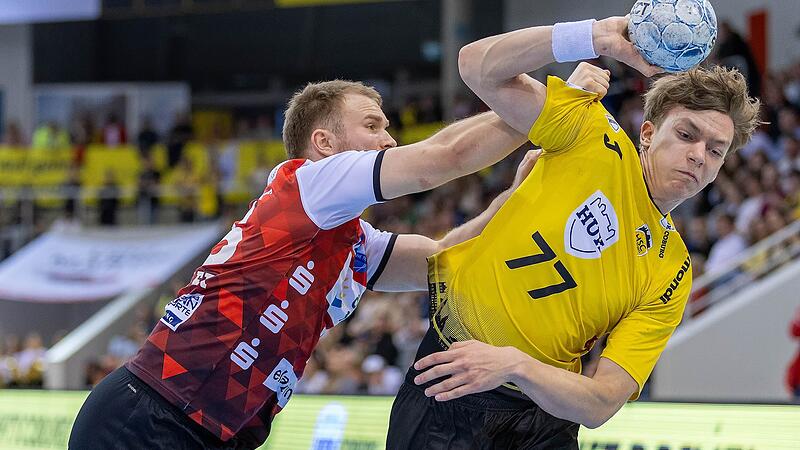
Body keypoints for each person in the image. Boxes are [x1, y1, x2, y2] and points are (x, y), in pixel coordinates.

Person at [68, 75, 538, 448]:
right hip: (153, 416)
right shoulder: (311, 182)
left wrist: (512, 200)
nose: (391, 141)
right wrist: (545, 107)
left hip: (216, 433)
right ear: (325, 144)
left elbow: (447, 260)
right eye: (373, 126)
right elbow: (446, 156)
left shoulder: (353, 240)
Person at [386, 15, 761, 449]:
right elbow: (476, 65)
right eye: (686, 134)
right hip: (452, 384)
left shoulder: (672, 270)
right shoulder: (591, 132)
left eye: (715, 150)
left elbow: (602, 402)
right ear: (648, 133)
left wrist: (515, 365)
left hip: (546, 415)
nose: (698, 155)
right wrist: (593, 37)